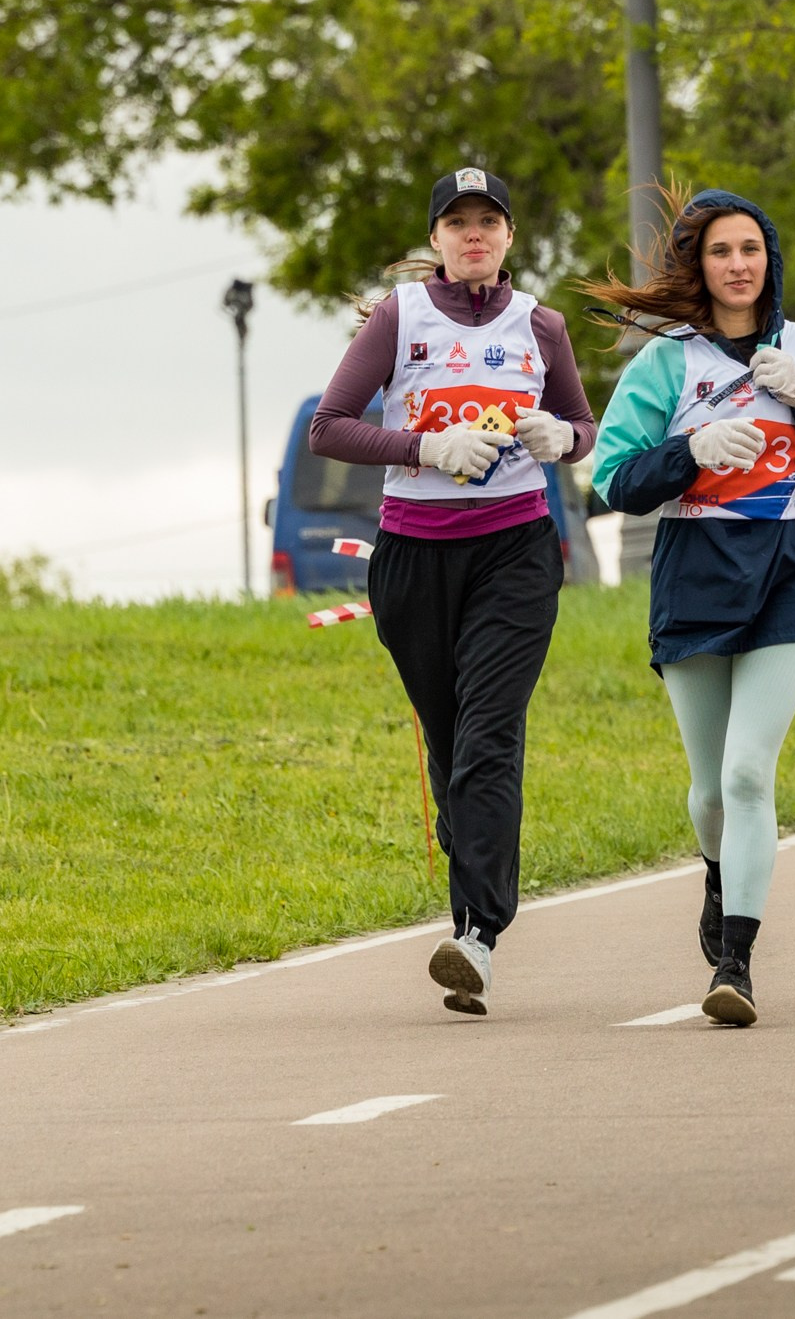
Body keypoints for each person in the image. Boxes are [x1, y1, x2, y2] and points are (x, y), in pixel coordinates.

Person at [309, 166, 596, 1015]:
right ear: (436, 239)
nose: (475, 235)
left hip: (514, 551)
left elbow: (581, 426)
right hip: (414, 557)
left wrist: (560, 435)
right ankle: (472, 915)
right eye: (458, 222)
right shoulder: (402, 319)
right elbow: (330, 425)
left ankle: (478, 934)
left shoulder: (540, 324)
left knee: (488, 739)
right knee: (448, 745)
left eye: (490, 221)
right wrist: (423, 450)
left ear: (510, 237)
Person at [584, 188, 795, 1028]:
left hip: (788, 574)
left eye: (751, 249)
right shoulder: (667, 361)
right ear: (698, 265)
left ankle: (735, 962)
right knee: (709, 793)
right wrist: (690, 450)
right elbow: (612, 479)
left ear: (769, 259)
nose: (738, 264)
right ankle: (718, 877)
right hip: (695, 574)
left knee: (750, 773)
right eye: (720, 251)